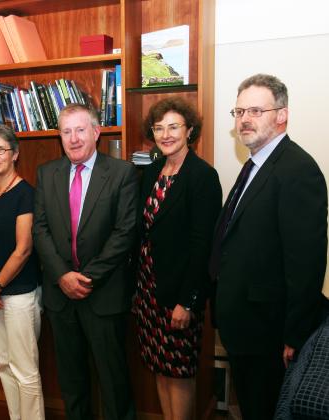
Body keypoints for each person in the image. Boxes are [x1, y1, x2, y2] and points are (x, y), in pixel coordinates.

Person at [209, 74, 328, 420]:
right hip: (243, 326)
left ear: (282, 115)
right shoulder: (254, 167)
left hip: (270, 334)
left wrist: (295, 336)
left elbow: (305, 263)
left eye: (256, 110)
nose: (245, 119)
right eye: (239, 111)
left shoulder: (297, 170)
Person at [32, 103, 137, 420]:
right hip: (60, 297)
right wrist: (63, 275)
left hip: (103, 295)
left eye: (80, 130)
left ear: (96, 132)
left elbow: (125, 232)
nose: (74, 138)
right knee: (72, 381)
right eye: (66, 132)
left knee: (113, 381)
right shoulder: (47, 173)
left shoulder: (122, 173)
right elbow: (41, 229)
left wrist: (86, 278)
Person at [134, 98, 221, 420]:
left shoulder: (202, 176)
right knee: (159, 365)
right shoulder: (153, 171)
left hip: (179, 294)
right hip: (148, 291)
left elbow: (203, 246)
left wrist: (189, 301)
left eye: (174, 127)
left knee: (179, 370)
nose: (166, 134)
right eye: (159, 128)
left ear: (190, 130)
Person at [0, 125, 45, 419]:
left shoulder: (25, 194)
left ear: (15, 154)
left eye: (1, 149)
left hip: (19, 295)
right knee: (5, 365)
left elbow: (24, 249)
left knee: (25, 370)